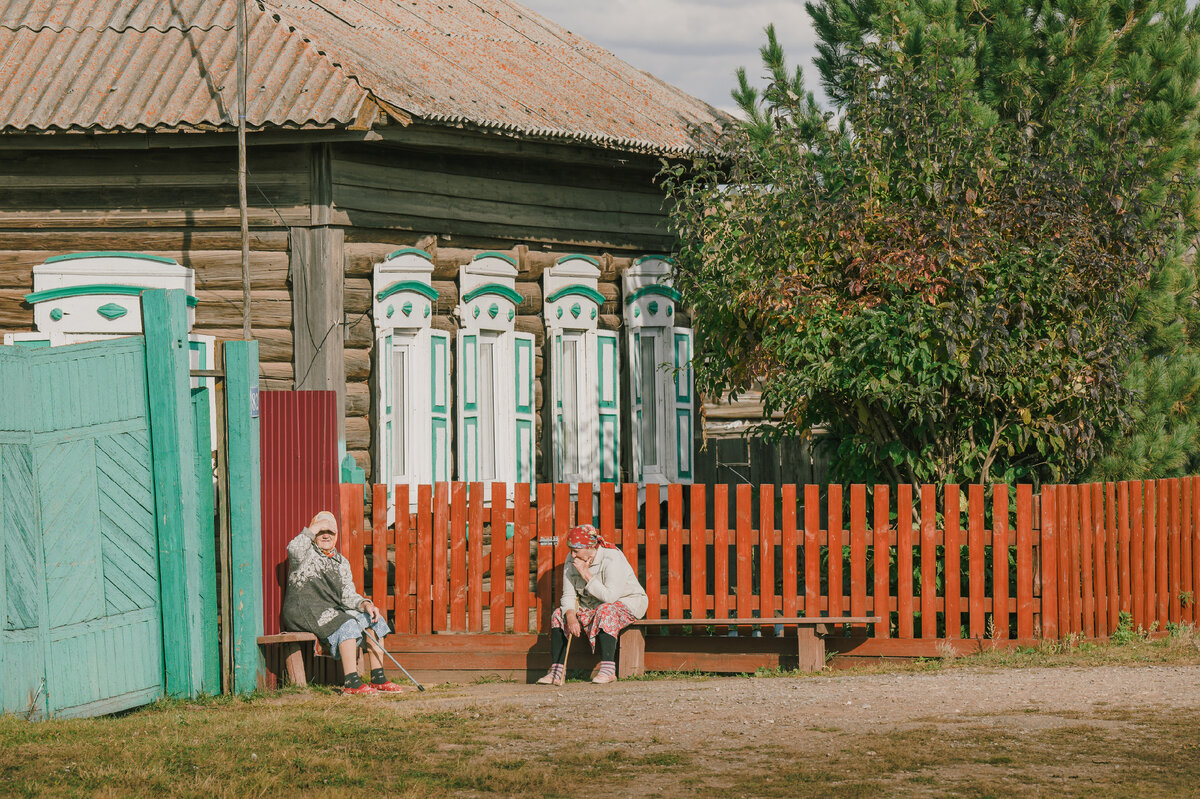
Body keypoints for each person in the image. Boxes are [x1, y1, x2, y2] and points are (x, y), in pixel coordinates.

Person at [281, 510, 405, 694]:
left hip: (328, 610)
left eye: (330, 532)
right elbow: (293, 549)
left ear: (336, 535)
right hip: (302, 609)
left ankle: (378, 678)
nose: (325, 535)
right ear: (313, 533)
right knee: (346, 623)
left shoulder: (341, 562)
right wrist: (314, 527)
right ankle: (351, 683)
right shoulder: (304, 553)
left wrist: (366, 604)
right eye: (320, 531)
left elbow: (348, 595)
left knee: (373, 619)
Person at [538, 524, 648, 685]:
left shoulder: (612, 557)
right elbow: (568, 596)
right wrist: (570, 616)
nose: (572, 555)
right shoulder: (572, 560)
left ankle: (608, 670)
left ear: (590, 547)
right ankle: (556, 672)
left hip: (626, 602)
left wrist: (585, 573)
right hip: (592, 605)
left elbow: (610, 597)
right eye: (571, 550)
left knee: (606, 610)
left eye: (576, 550)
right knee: (558, 615)